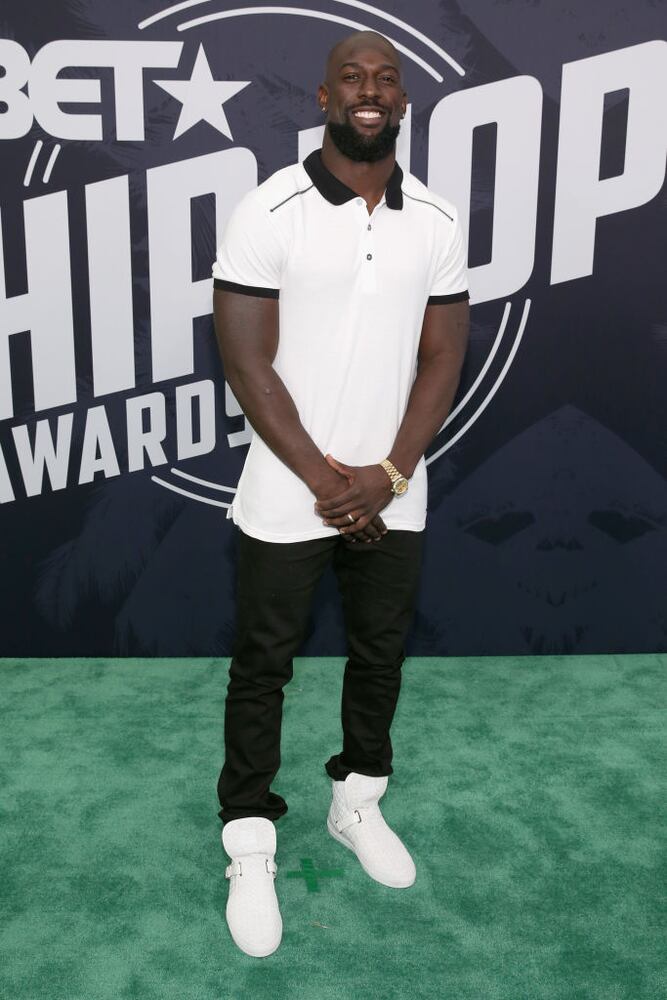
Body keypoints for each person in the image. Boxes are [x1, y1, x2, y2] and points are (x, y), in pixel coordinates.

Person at [211, 29, 470, 958]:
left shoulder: (435, 219)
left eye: (385, 79)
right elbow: (245, 360)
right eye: (352, 78)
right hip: (290, 491)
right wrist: (330, 482)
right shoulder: (270, 209)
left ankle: (356, 801)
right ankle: (249, 838)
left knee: (380, 654)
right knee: (263, 665)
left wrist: (387, 475)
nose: (370, 89)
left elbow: (441, 358)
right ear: (323, 98)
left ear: (402, 102)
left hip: (393, 488)